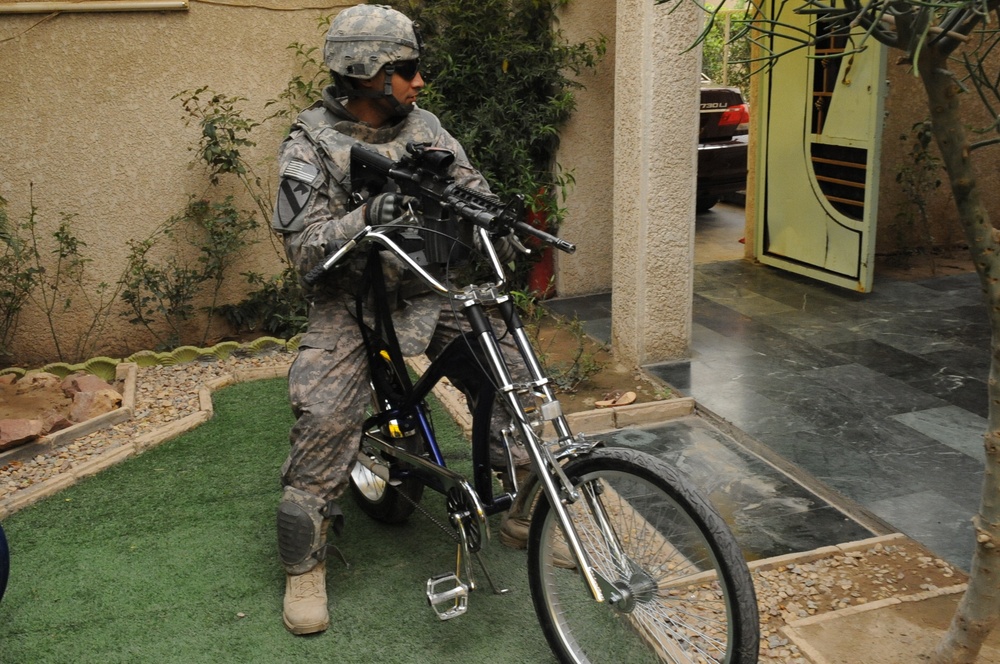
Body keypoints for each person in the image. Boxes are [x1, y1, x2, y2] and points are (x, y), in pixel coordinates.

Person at [270, 3, 534, 635]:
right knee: (326, 411)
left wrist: (492, 211)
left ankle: (528, 508)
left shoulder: (427, 127)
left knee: (513, 375)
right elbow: (304, 249)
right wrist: (367, 219)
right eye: (408, 69)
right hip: (351, 301)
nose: (420, 83)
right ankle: (305, 563)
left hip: (428, 289)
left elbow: (472, 187)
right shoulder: (309, 144)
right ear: (366, 72)